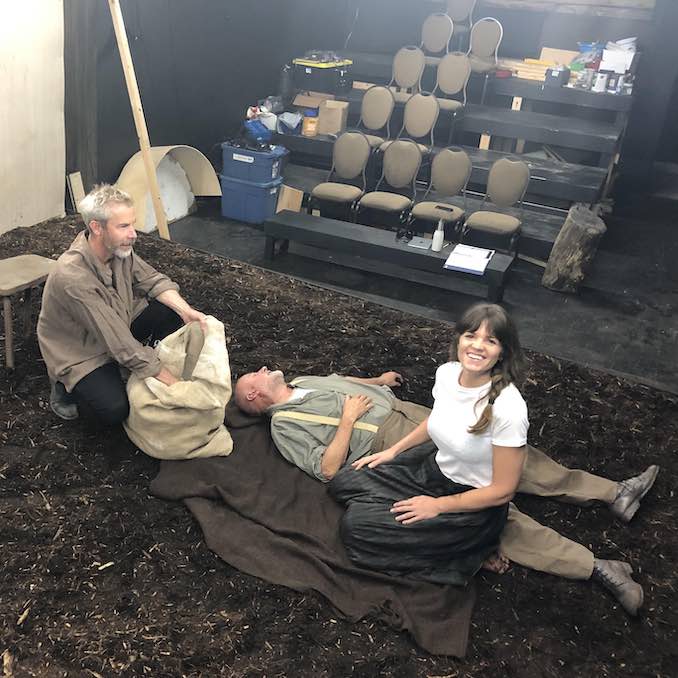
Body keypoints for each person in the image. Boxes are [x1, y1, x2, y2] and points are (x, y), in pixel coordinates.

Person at [233, 304, 659, 614]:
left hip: (410, 418)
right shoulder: (284, 424)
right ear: (254, 395)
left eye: (489, 340)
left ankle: (612, 493)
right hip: (384, 435)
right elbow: (326, 470)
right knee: (488, 498)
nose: (263, 367)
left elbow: (342, 381)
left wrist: (376, 380)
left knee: (514, 454)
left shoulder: (304, 380)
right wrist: (349, 423)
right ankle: (590, 564)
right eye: (253, 373)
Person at [37, 184, 206, 426]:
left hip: (117, 323)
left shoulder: (117, 249)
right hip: (82, 349)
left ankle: (139, 367)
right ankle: (64, 387)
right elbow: (118, 343)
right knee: (115, 409)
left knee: (170, 312)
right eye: (123, 226)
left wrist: (187, 311)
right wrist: (178, 388)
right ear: (97, 227)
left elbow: (153, 280)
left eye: (132, 224)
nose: (133, 234)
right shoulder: (73, 278)